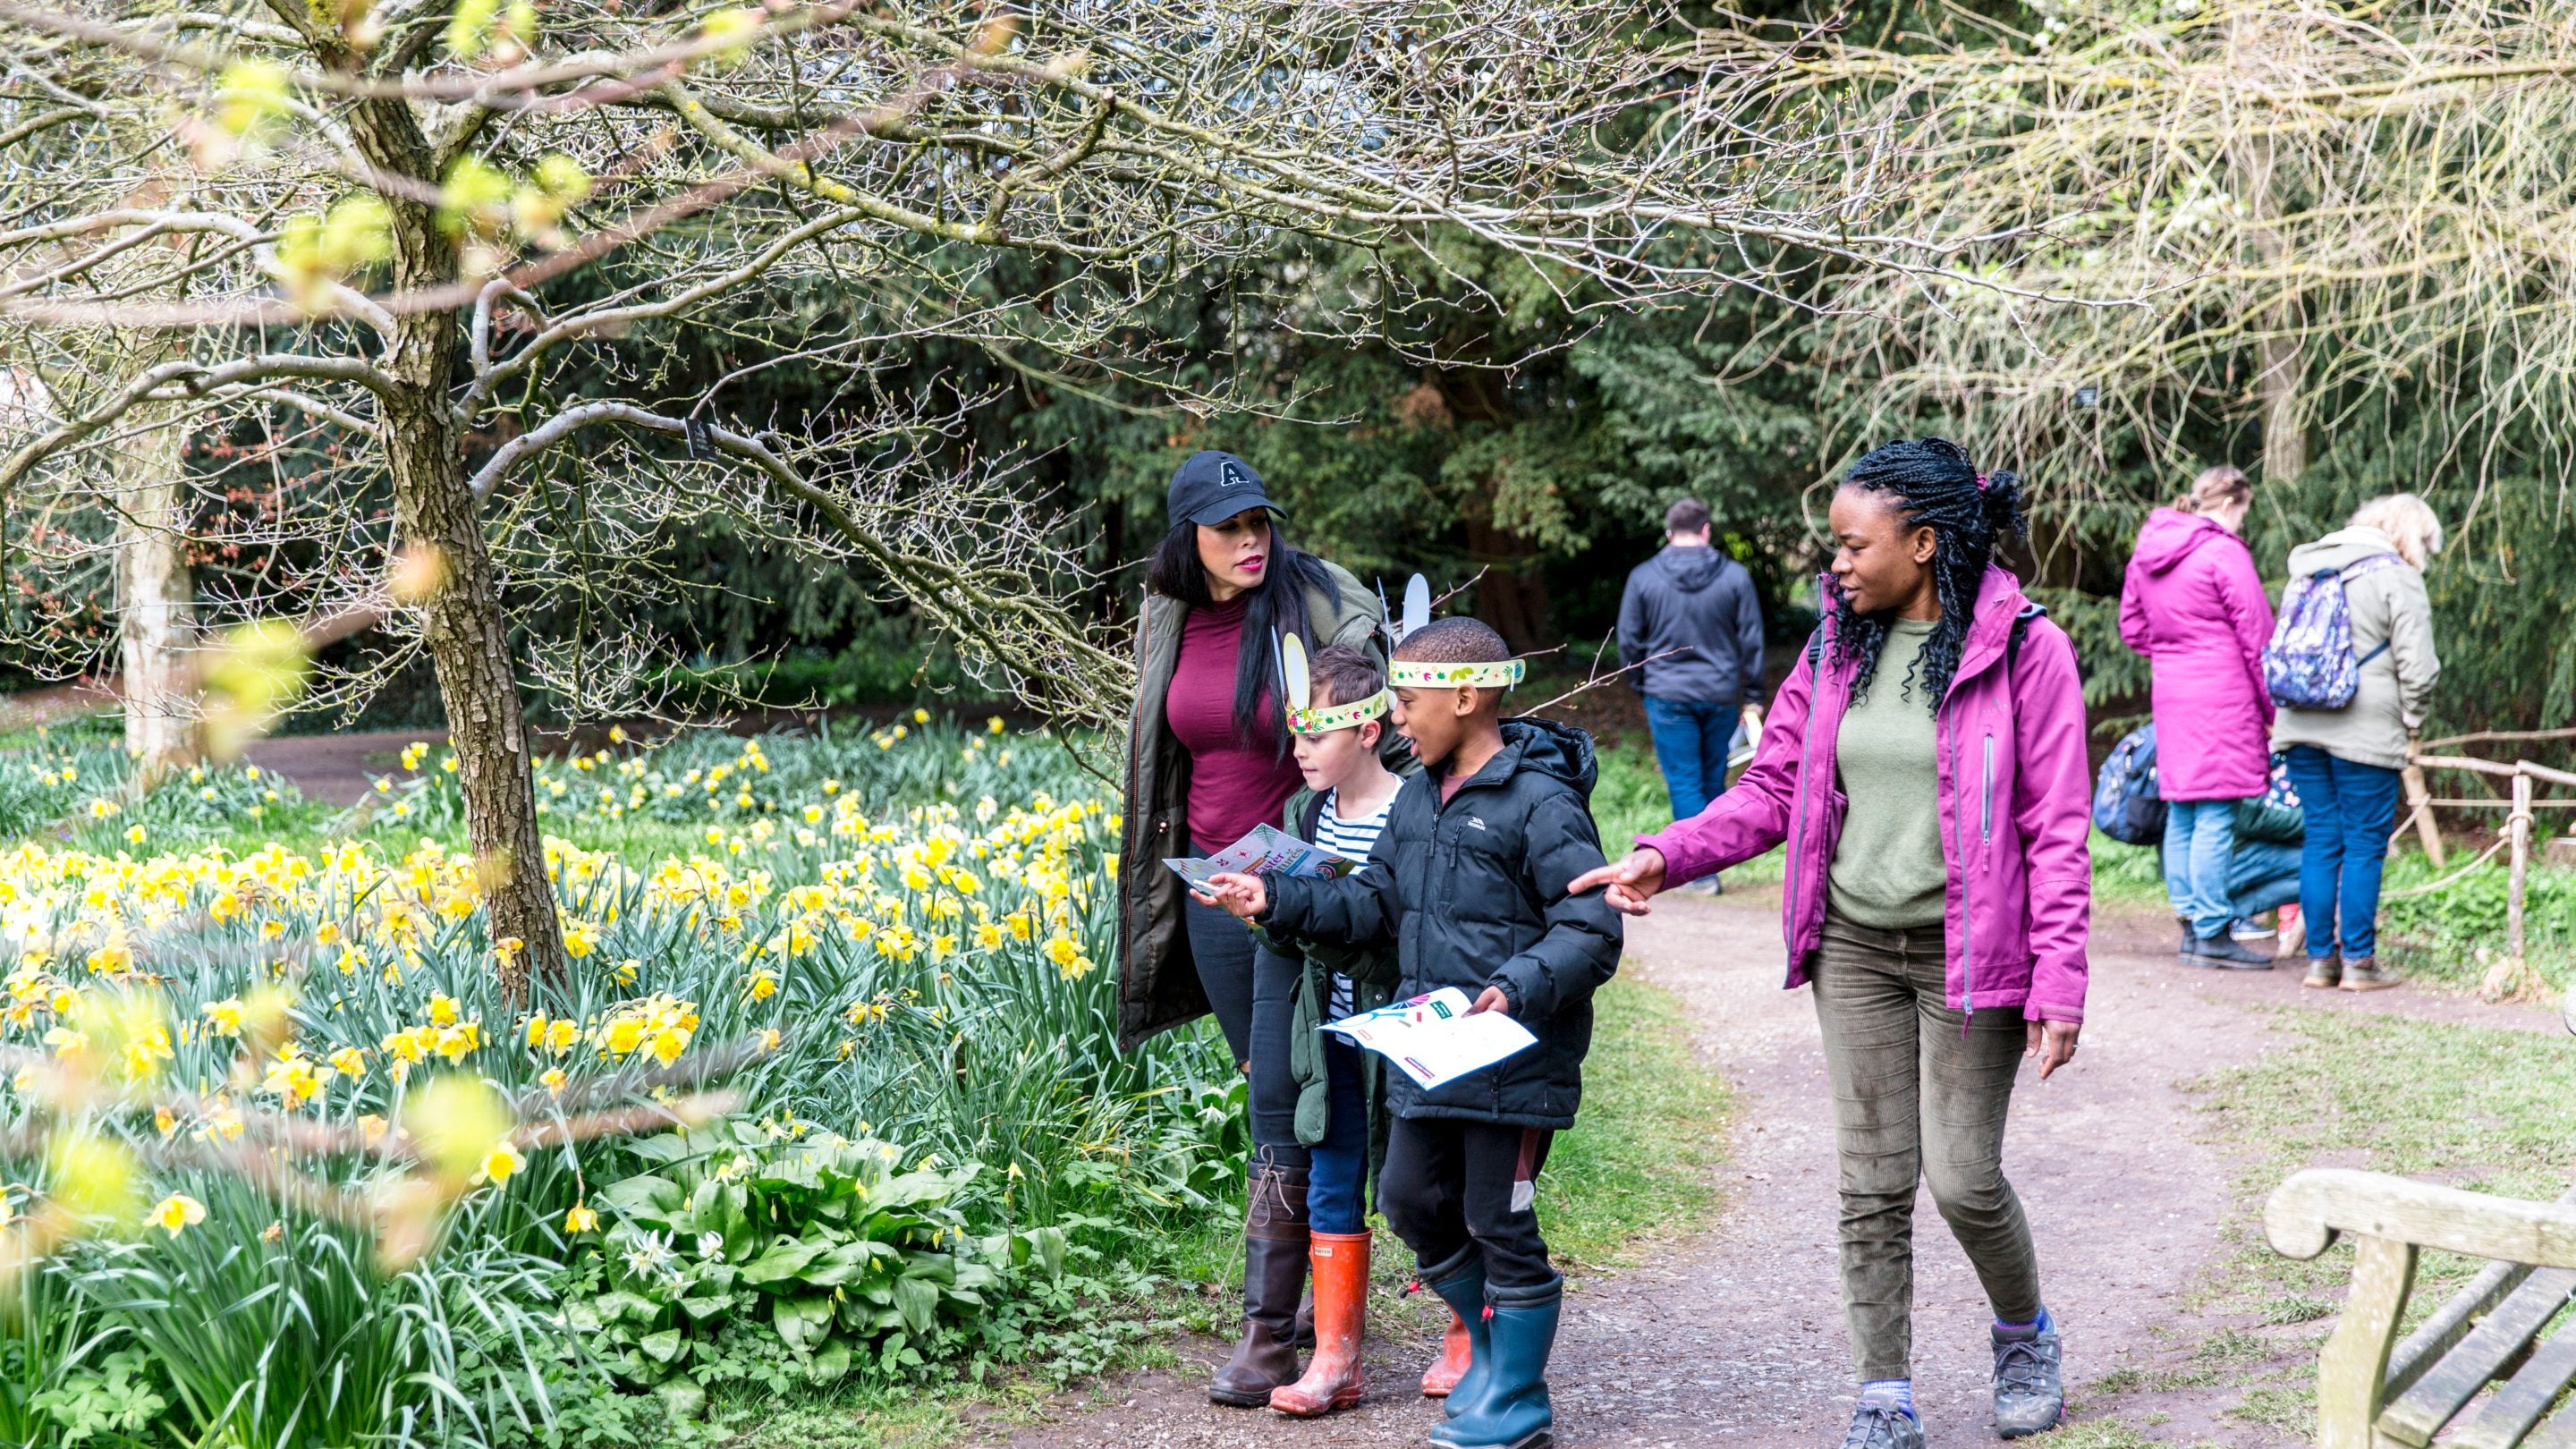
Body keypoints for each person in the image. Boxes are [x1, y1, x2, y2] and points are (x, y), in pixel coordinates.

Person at [1572, 438, 2090, 1449]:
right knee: (1871, 1180)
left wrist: (2060, 981)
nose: (1838, 566)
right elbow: (1773, 788)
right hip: (1852, 945)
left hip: (1969, 955)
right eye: (1835, 549)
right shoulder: (1834, 649)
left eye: (1854, 547)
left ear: (1925, 542)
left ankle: (2023, 1332)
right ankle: (1883, 1395)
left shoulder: (2028, 650)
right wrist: (1664, 855)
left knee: (1964, 1180)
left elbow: (2057, 830)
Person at [1199, 616, 1623, 1449]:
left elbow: (1591, 928)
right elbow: (1371, 906)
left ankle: (1518, 1399)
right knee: (1404, 1199)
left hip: (1514, 1058)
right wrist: (1274, 901)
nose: (1395, 716)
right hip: (1429, 1051)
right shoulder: (1420, 800)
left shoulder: (1542, 802)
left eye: (1407, 699)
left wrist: (1514, 987)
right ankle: (1496, 1359)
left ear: (1465, 699)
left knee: (1496, 1220)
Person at [1113, 449, 1390, 1406]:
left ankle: (1279, 1332)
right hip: (1209, 895)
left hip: (1305, 889)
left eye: (1259, 522)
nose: (1249, 541)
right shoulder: (1169, 612)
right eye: (1229, 527)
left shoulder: (1318, 601)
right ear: (1187, 537)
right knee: (1267, 1087)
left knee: (1296, 1096)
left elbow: (1375, 725)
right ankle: (1315, 1307)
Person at [1259, 644, 1410, 1417]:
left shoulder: (1414, 811)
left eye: (1313, 737)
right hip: (1332, 1036)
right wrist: (1259, 907)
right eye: (1295, 736)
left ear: (1370, 732)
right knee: (1330, 1178)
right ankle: (1334, 1359)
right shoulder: (1303, 815)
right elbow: (1296, 941)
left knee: (1432, 1185)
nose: (1299, 753)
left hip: (1409, 1037)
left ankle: (1467, 1338)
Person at [2272, 494, 2444, 992]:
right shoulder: (2396, 576)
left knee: (2322, 838)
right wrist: (2411, 717)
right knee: (2365, 845)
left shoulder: (2308, 569)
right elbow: (2420, 665)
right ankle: (2360, 965)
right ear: (2409, 534)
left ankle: (2321, 961)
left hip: (2300, 722)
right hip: (2365, 727)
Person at [2119, 465, 2278, 967]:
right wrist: (2273, 707)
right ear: (2232, 504)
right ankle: (2212, 928)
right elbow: (2257, 635)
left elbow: (2132, 627)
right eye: (2244, 514)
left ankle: (2192, 923)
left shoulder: (2149, 551)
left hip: (2174, 692)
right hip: (2223, 694)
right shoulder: (2222, 551)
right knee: (2215, 811)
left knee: (2184, 809)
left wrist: (2177, 652)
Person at [1618, 497, 1767, 843]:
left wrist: (1641, 684)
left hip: (1666, 694)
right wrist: (1755, 696)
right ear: (1706, 530)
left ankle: (1699, 874)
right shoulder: (1735, 576)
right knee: (1714, 778)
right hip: (1721, 694)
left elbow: (1628, 641)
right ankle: (1711, 858)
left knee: (1684, 780)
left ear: (1669, 534)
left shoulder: (1643, 577)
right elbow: (1752, 639)